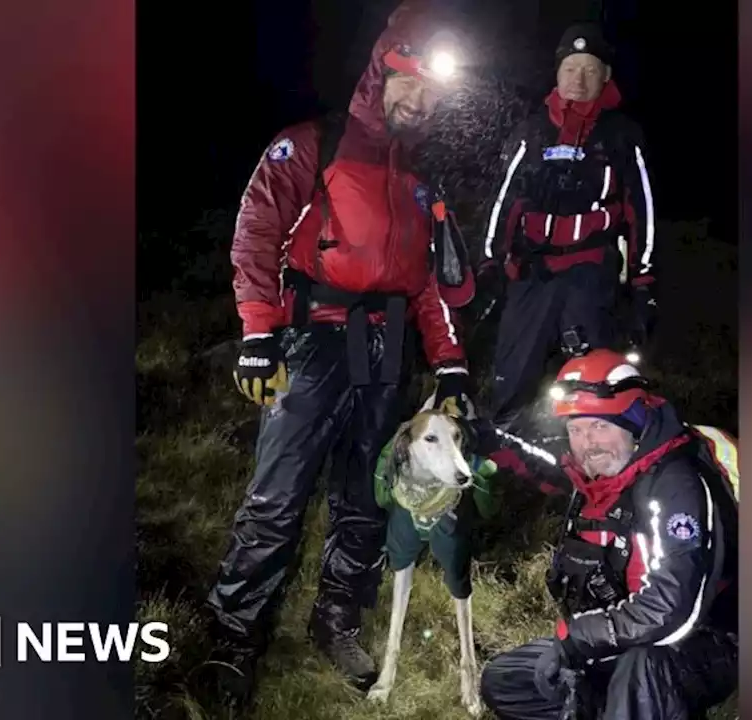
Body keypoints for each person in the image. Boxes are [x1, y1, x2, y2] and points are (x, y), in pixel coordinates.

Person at [204, 0, 476, 708]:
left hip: (386, 356)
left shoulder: (420, 183)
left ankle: (336, 619)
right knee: (277, 498)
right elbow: (255, 233)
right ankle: (234, 638)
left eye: (430, 90)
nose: (416, 98)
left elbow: (428, 288)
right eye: (407, 81)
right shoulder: (314, 143)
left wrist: (448, 361)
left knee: (364, 497)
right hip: (312, 339)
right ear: (379, 75)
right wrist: (259, 336)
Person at [479, 348, 738, 719]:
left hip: (706, 639)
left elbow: (673, 611)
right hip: (622, 632)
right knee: (507, 679)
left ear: (633, 421)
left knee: (642, 669)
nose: (588, 443)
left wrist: (580, 638)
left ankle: (633, 702)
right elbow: (544, 465)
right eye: (576, 429)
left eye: (600, 426)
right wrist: (492, 440)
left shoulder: (674, 485)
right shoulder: (596, 479)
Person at [472, 22, 659, 494]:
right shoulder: (532, 130)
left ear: (605, 76)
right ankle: (508, 468)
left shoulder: (621, 135)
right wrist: (491, 264)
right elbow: (503, 200)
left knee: (593, 375)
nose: (578, 79)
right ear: (557, 74)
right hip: (534, 271)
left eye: (590, 70)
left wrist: (643, 283)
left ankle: (599, 478)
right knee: (512, 373)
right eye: (570, 68)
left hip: (590, 271)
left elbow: (642, 211)